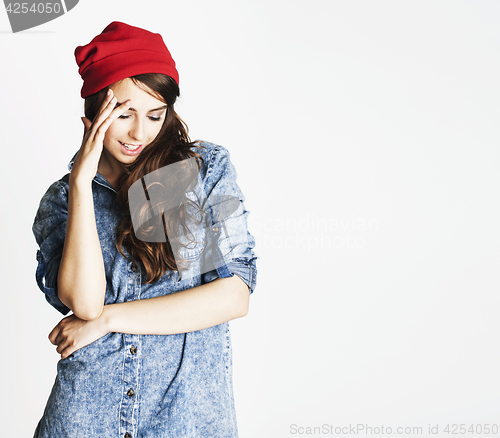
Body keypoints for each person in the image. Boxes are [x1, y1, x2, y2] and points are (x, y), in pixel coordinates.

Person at [32, 21, 258, 438]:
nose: (140, 133)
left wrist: (108, 320)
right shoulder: (61, 201)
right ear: (94, 113)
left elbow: (234, 295)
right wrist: (82, 182)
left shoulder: (203, 172)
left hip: (187, 419)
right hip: (87, 418)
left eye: (155, 115)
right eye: (123, 114)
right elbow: (85, 304)